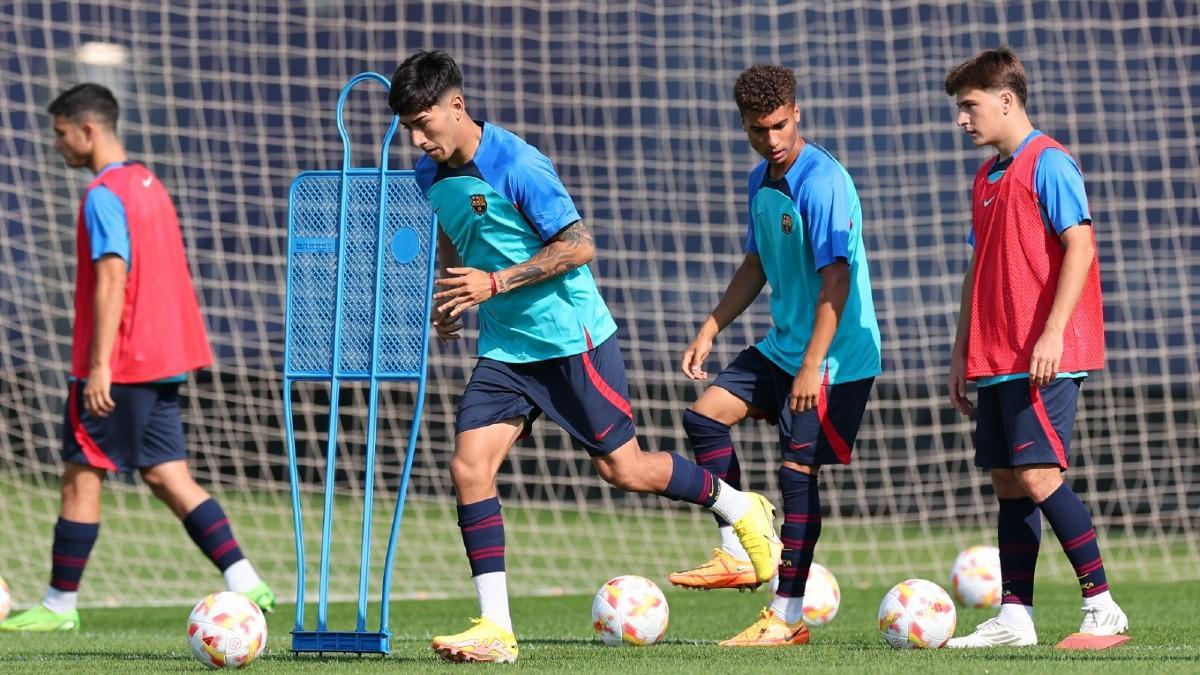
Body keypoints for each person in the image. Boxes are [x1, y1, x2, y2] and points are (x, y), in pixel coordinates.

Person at [388, 50, 783, 663]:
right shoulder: (428, 174)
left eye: (424, 122)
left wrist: (494, 284)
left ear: (455, 105)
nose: (418, 138)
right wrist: (452, 291)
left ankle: (739, 505)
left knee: (622, 470)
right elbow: (452, 228)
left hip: (573, 340)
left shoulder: (517, 164)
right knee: (468, 468)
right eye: (409, 128)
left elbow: (578, 247)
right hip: (507, 350)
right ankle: (496, 628)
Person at [0, 84, 273, 633]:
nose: (57, 146)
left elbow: (112, 274)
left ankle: (57, 605)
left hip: (122, 361)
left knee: (81, 476)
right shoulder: (149, 184)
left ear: (88, 130)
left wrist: (100, 363)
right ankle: (247, 582)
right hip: (165, 357)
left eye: (60, 134)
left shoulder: (103, 193)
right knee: (168, 475)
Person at [669, 64, 881, 647]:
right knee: (703, 415)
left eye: (781, 126)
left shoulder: (823, 181)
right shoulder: (760, 181)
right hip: (783, 347)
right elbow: (758, 263)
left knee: (796, 475)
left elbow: (835, 279)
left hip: (835, 358)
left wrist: (812, 365)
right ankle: (742, 545)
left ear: (798, 113)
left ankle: (786, 619)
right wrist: (711, 326)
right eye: (760, 130)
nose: (773, 140)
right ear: (744, 126)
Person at [943, 47, 1127, 647]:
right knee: (1007, 482)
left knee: (1040, 474)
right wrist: (960, 350)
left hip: (1045, 354)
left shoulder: (1048, 162)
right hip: (995, 355)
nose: (962, 120)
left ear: (1006, 99)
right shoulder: (986, 175)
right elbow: (978, 268)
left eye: (969, 107)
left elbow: (1081, 246)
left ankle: (1102, 605)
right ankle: (1015, 617)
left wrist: (1051, 331)